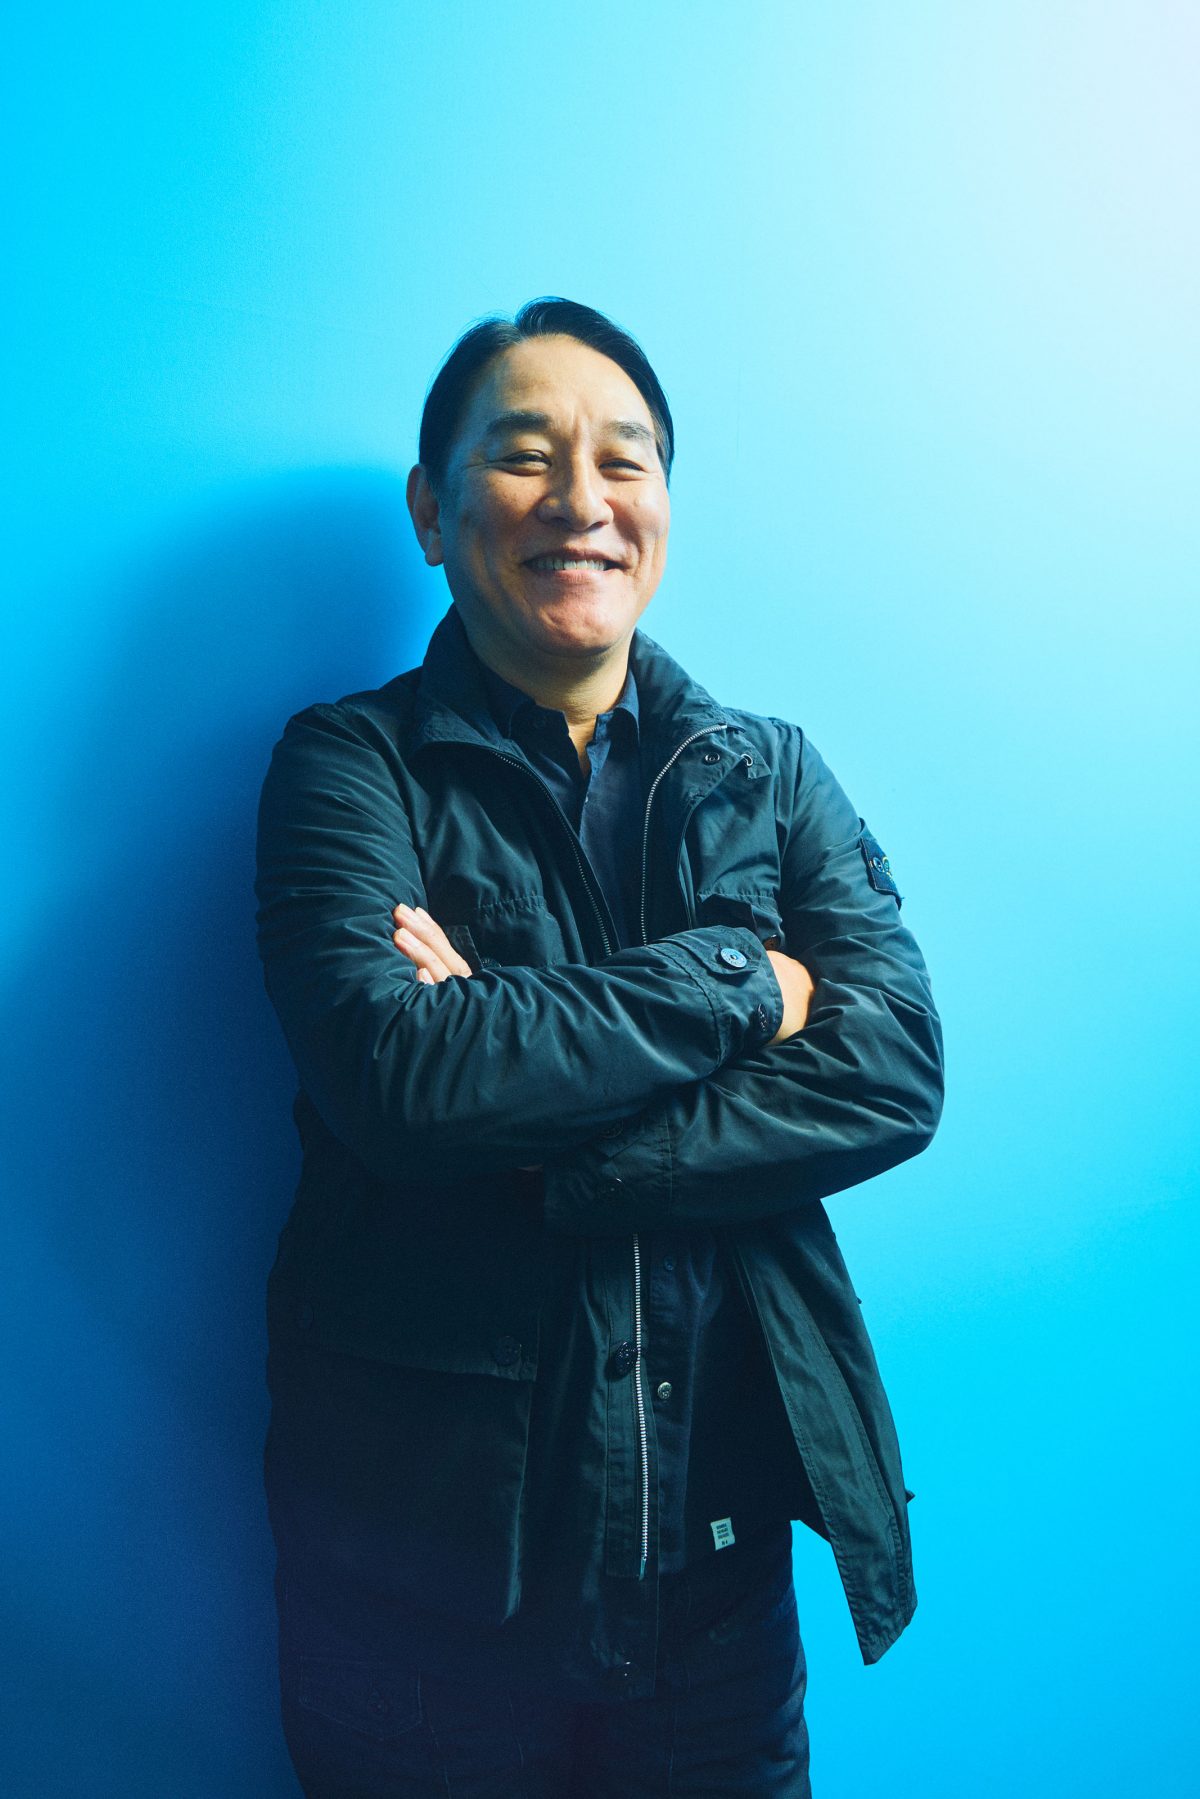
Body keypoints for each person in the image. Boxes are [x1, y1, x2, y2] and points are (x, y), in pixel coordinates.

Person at [254, 296, 944, 1796]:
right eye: (524, 456)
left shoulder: (771, 774)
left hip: (719, 1597)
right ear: (431, 511)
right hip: (419, 1601)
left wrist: (539, 1133)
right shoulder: (348, 767)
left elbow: (894, 1070)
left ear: (663, 507)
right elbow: (402, 1082)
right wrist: (741, 981)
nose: (583, 499)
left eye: (624, 460)